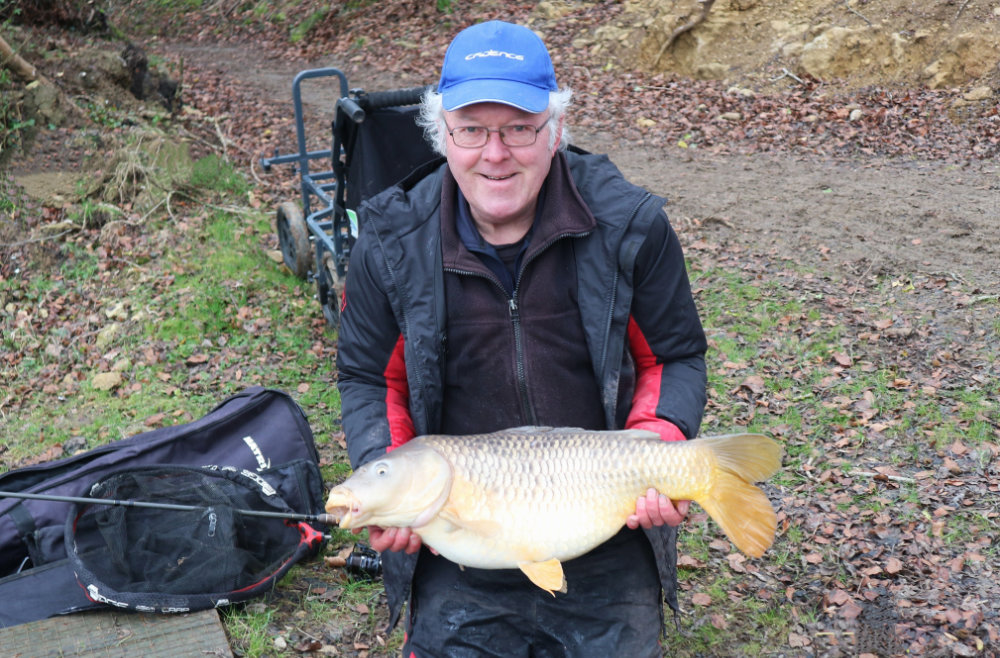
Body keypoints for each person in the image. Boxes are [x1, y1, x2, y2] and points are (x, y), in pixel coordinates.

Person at [336, 19, 707, 657]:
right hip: (457, 544)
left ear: (556, 130)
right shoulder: (392, 243)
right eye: (473, 130)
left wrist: (661, 447)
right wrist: (397, 484)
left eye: (518, 128)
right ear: (442, 133)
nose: (495, 153)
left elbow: (675, 356)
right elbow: (372, 377)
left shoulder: (630, 226)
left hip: (601, 526)